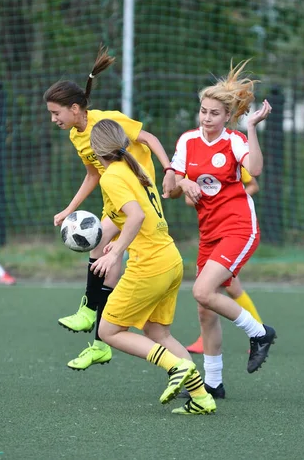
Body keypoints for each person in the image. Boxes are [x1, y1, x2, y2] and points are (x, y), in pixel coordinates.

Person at [43, 46, 176, 370]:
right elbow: (92, 173)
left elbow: (148, 138)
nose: (53, 119)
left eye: (56, 112)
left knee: (105, 249)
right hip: (113, 195)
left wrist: (170, 168)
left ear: (75, 108)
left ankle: (91, 314)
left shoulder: (106, 123)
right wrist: (68, 209)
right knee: (102, 252)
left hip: (132, 192)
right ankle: (100, 337)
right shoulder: (76, 135)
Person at [89, 118, 216, 415]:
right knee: (158, 333)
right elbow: (137, 216)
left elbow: (135, 217)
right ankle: (201, 396)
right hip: (169, 259)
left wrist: (114, 253)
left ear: (96, 151)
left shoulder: (111, 177)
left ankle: (176, 367)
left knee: (108, 331)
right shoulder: (136, 167)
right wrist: (119, 242)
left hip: (150, 265)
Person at [167, 60, 276, 400]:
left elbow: (255, 169)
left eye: (214, 113)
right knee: (204, 309)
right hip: (209, 231)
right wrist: (183, 182)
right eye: (203, 111)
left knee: (202, 292)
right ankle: (213, 384)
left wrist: (253, 128)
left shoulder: (234, 140)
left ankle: (260, 333)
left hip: (239, 227)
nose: (207, 118)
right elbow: (169, 187)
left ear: (227, 117)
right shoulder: (187, 141)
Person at [184, 166, 263, 355]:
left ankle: (258, 332)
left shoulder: (228, 159)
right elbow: (188, 198)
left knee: (228, 288)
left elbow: (253, 185)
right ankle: (256, 333)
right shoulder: (190, 162)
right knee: (227, 288)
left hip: (232, 228)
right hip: (211, 229)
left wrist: (228, 198)